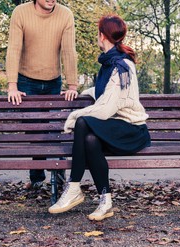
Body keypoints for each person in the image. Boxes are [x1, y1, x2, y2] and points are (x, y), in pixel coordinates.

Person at [48, 14, 151, 221]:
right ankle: (105, 201)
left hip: (131, 130)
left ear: (102, 36)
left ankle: (74, 186)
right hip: (116, 127)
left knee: (83, 121)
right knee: (90, 139)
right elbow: (107, 92)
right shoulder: (111, 62)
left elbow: (106, 109)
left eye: (98, 33)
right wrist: (82, 93)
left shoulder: (121, 66)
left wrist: (73, 116)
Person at [6, 0, 78, 189]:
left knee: (54, 130)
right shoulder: (20, 12)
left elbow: (69, 51)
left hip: (54, 81)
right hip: (26, 81)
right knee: (35, 132)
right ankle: (37, 176)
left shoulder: (65, 15)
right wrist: (12, 85)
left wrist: (72, 85)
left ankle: (59, 172)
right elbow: (13, 49)